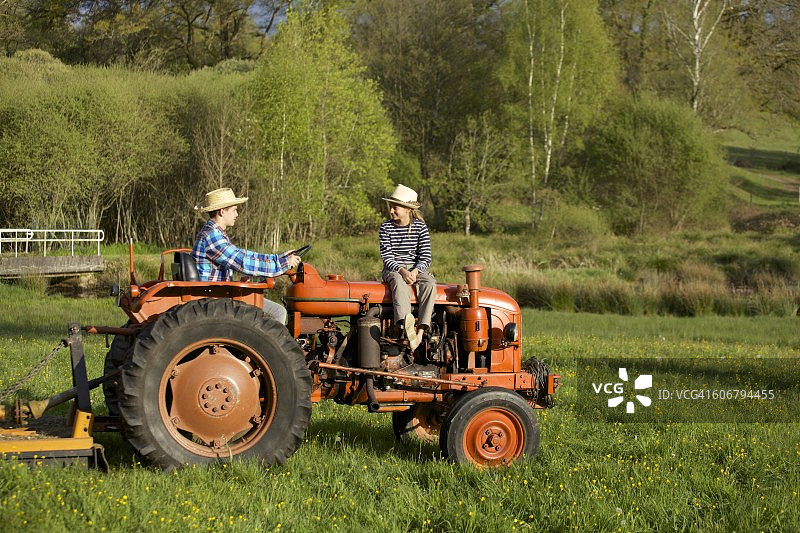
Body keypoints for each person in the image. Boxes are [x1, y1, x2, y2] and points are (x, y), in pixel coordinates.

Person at [192, 187, 301, 324]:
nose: (237, 214)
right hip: (215, 298)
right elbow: (242, 262)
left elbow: (244, 254)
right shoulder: (212, 236)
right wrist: (280, 265)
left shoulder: (215, 233)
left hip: (220, 294)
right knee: (278, 312)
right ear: (222, 211)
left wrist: (278, 258)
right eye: (234, 210)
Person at [379, 184, 436, 351]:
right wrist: (402, 271)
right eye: (390, 207)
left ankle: (419, 333)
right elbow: (387, 256)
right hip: (394, 269)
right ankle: (405, 323)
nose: (391, 211)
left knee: (430, 283)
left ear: (407, 209)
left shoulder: (420, 228)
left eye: (395, 208)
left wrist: (415, 271)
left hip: (415, 269)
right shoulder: (385, 228)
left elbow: (425, 257)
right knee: (398, 281)